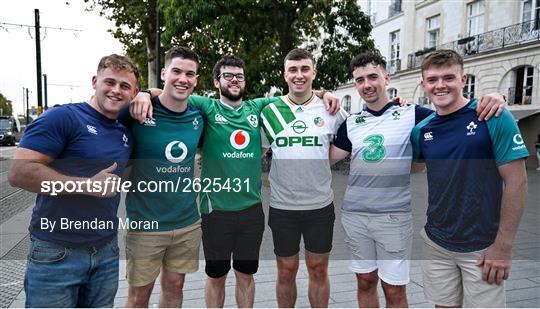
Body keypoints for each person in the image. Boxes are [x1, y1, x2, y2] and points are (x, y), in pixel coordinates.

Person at [130, 55, 340, 307]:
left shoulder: (258, 107)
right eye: (227, 76)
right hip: (215, 211)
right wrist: (143, 93)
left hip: (251, 213)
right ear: (216, 82)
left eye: (239, 76)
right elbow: (170, 92)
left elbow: (298, 91)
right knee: (216, 277)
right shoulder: (206, 106)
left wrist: (324, 92)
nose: (234, 80)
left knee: (245, 276)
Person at [329, 52, 506, 307]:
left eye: (372, 77)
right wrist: (321, 97)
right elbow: (326, 158)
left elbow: (455, 114)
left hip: (393, 218)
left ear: (386, 78)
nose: (366, 85)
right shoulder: (352, 123)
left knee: (393, 290)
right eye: (359, 80)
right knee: (365, 282)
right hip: (355, 217)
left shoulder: (415, 115)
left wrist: (496, 97)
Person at [8, 54, 139, 307]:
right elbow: (18, 173)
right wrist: (87, 185)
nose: (115, 90)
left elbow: (126, 175)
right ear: (94, 81)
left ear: (133, 92)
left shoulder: (125, 131)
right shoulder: (63, 117)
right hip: (56, 251)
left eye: (124, 86)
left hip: (105, 251)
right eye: (109, 82)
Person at [411, 49, 528, 307]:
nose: (440, 85)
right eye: (432, 80)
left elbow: (517, 183)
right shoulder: (422, 130)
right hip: (436, 242)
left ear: (464, 80)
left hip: (483, 247)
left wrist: (503, 245)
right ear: (423, 84)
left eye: (448, 78)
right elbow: (413, 167)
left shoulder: (493, 116)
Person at [260, 48, 349, 308]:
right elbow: (257, 151)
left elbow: (357, 135)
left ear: (314, 73)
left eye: (304, 69)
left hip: (319, 206)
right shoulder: (271, 112)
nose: (299, 75)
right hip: (282, 206)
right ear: (285, 75)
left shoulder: (330, 109)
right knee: (286, 270)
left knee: (318, 269)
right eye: (293, 70)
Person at [124, 47, 204, 308]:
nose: (183, 78)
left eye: (189, 74)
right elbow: (101, 104)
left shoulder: (199, 115)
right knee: (139, 295)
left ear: (196, 79)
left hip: (187, 223)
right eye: (177, 71)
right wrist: (145, 92)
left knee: (174, 288)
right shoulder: (137, 110)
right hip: (146, 225)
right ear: (164, 73)